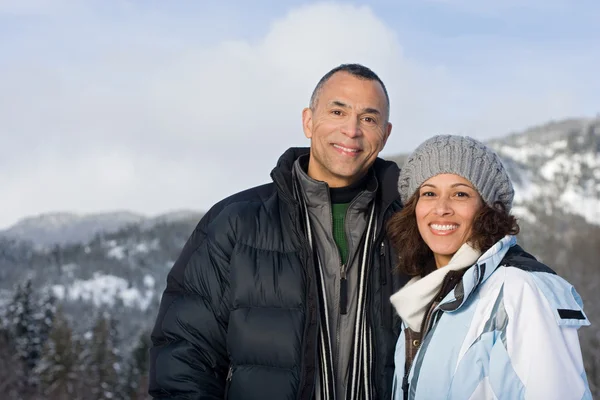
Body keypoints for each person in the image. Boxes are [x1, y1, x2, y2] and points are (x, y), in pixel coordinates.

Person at [148, 63, 410, 400]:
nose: (352, 130)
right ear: (308, 121)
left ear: (385, 135)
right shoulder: (236, 223)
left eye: (368, 119)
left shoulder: (412, 226)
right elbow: (183, 359)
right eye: (337, 111)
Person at [387, 135, 592, 399]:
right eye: (429, 193)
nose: (441, 208)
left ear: (487, 209)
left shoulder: (519, 291)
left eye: (460, 194)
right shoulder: (422, 296)